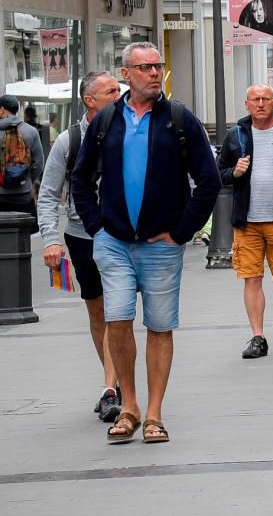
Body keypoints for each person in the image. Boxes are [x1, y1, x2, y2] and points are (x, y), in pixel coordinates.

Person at [70, 42, 221, 445]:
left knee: (158, 326)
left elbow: (209, 180)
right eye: (145, 67)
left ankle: (154, 414)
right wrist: (96, 226)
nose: (154, 73)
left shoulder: (178, 119)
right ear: (127, 73)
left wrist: (182, 231)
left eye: (158, 66)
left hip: (161, 246)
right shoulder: (106, 121)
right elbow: (80, 179)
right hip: (114, 242)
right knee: (117, 321)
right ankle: (129, 406)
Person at [37, 71, 123, 423]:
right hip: (81, 235)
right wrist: (50, 239)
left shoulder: (131, 131)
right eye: (111, 91)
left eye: (120, 89)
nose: (119, 95)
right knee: (98, 311)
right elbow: (47, 194)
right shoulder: (69, 140)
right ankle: (113, 385)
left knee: (118, 310)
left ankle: (111, 388)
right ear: (90, 100)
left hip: (122, 236)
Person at [217, 84, 273, 359]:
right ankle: (258, 336)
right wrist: (235, 172)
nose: (261, 104)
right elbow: (219, 173)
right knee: (251, 278)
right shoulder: (237, 135)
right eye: (255, 99)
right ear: (247, 104)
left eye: (266, 99)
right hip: (247, 221)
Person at [0, 93, 44, 217]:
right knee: (23, 234)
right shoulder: (31, 131)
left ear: (2, 109)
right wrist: (26, 179)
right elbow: (39, 164)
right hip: (23, 195)